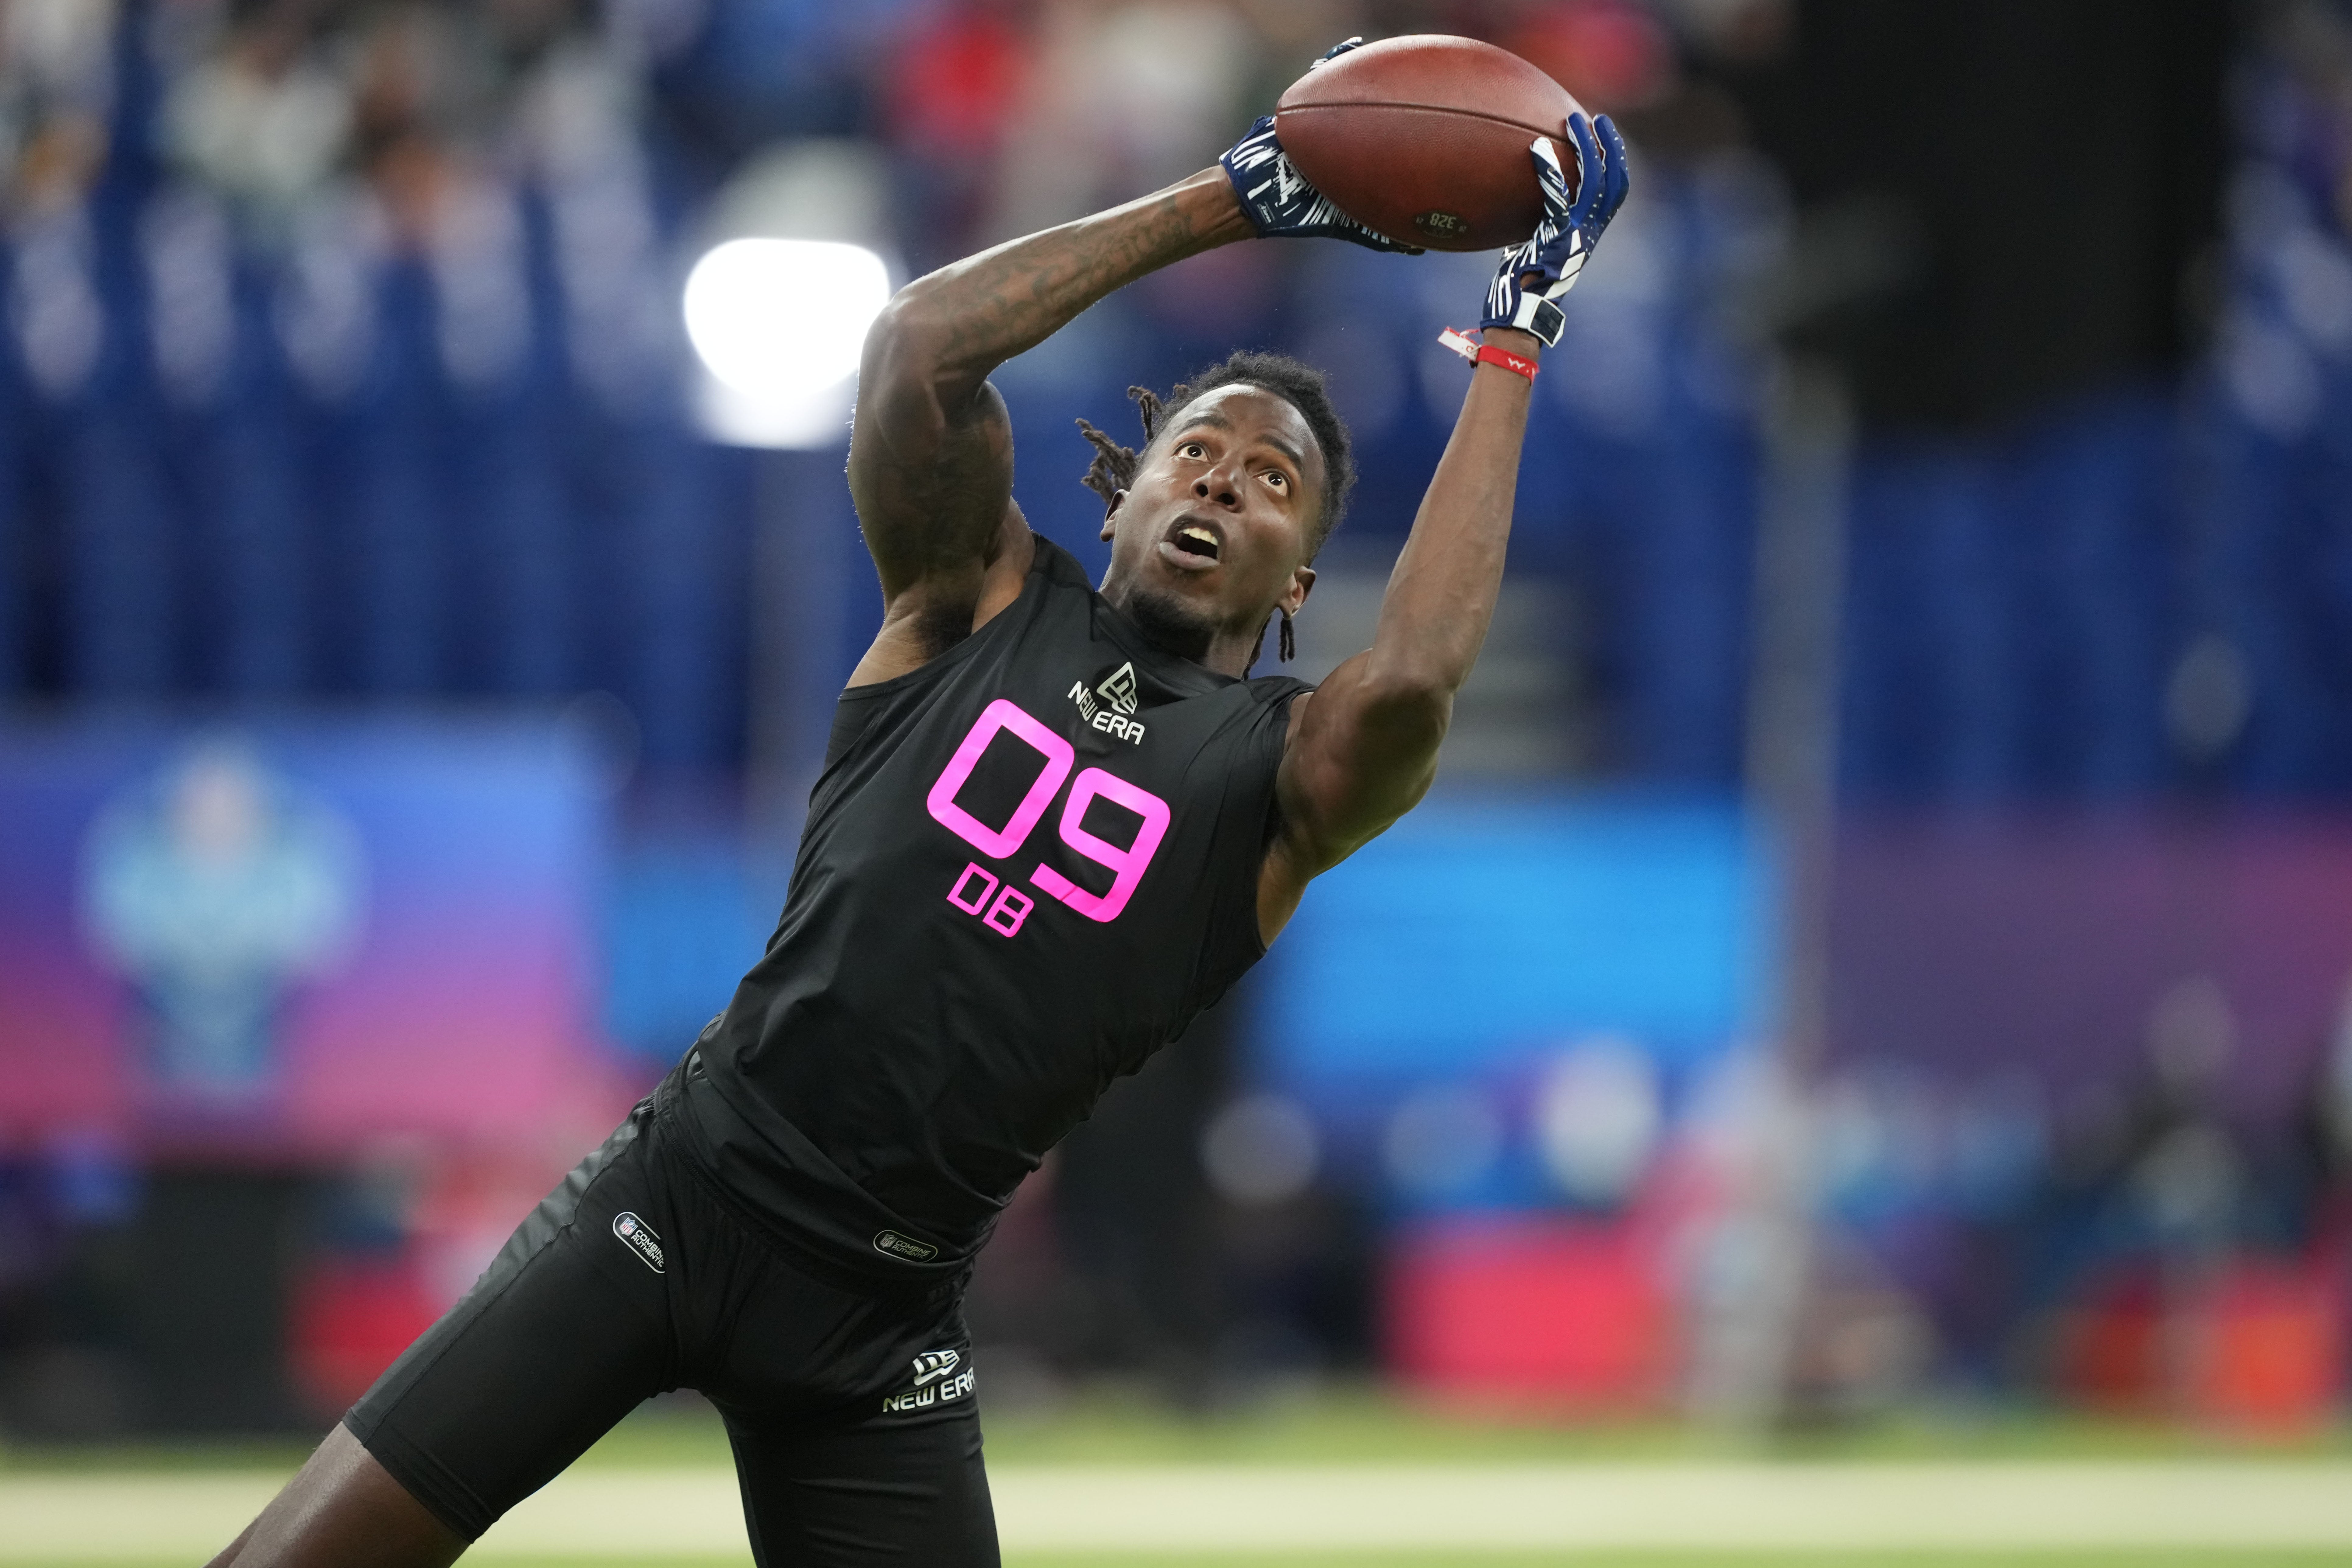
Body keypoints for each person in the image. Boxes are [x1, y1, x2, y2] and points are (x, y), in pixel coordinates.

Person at [209, 39, 1629, 1568]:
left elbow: (1415, 676)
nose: (1222, 482)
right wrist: (1233, 201)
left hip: (879, 1316)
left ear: (1297, 585)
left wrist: (1516, 333)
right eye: (1194, 451)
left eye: (1272, 483)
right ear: (1122, 487)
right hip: (683, 1191)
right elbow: (915, 356)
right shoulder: (976, 595)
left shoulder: (1281, 780)